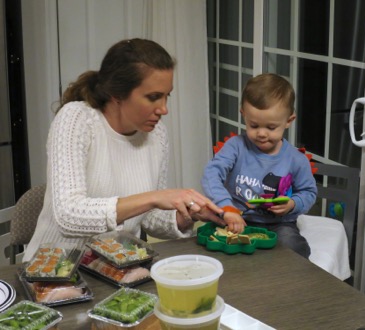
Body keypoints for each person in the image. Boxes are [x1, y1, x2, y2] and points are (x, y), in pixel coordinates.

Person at [23, 38, 225, 262]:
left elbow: (149, 219)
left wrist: (185, 216)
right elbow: (68, 216)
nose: (164, 109)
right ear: (117, 94)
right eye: (153, 97)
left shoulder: (157, 135)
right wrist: (155, 197)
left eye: (167, 95)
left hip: (117, 268)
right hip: (51, 270)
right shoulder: (77, 120)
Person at [201, 73, 317, 258]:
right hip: (236, 217)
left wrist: (293, 204)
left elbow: (309, 193)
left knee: (293, 247)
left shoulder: (296, 159)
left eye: (271, 128)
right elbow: (211, 174)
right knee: (212, 246)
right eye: (254, 125)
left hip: (278, 223)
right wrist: (227, 208)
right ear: (243, 114)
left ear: (288, 121)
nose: (261, 134)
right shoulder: (235, 146)